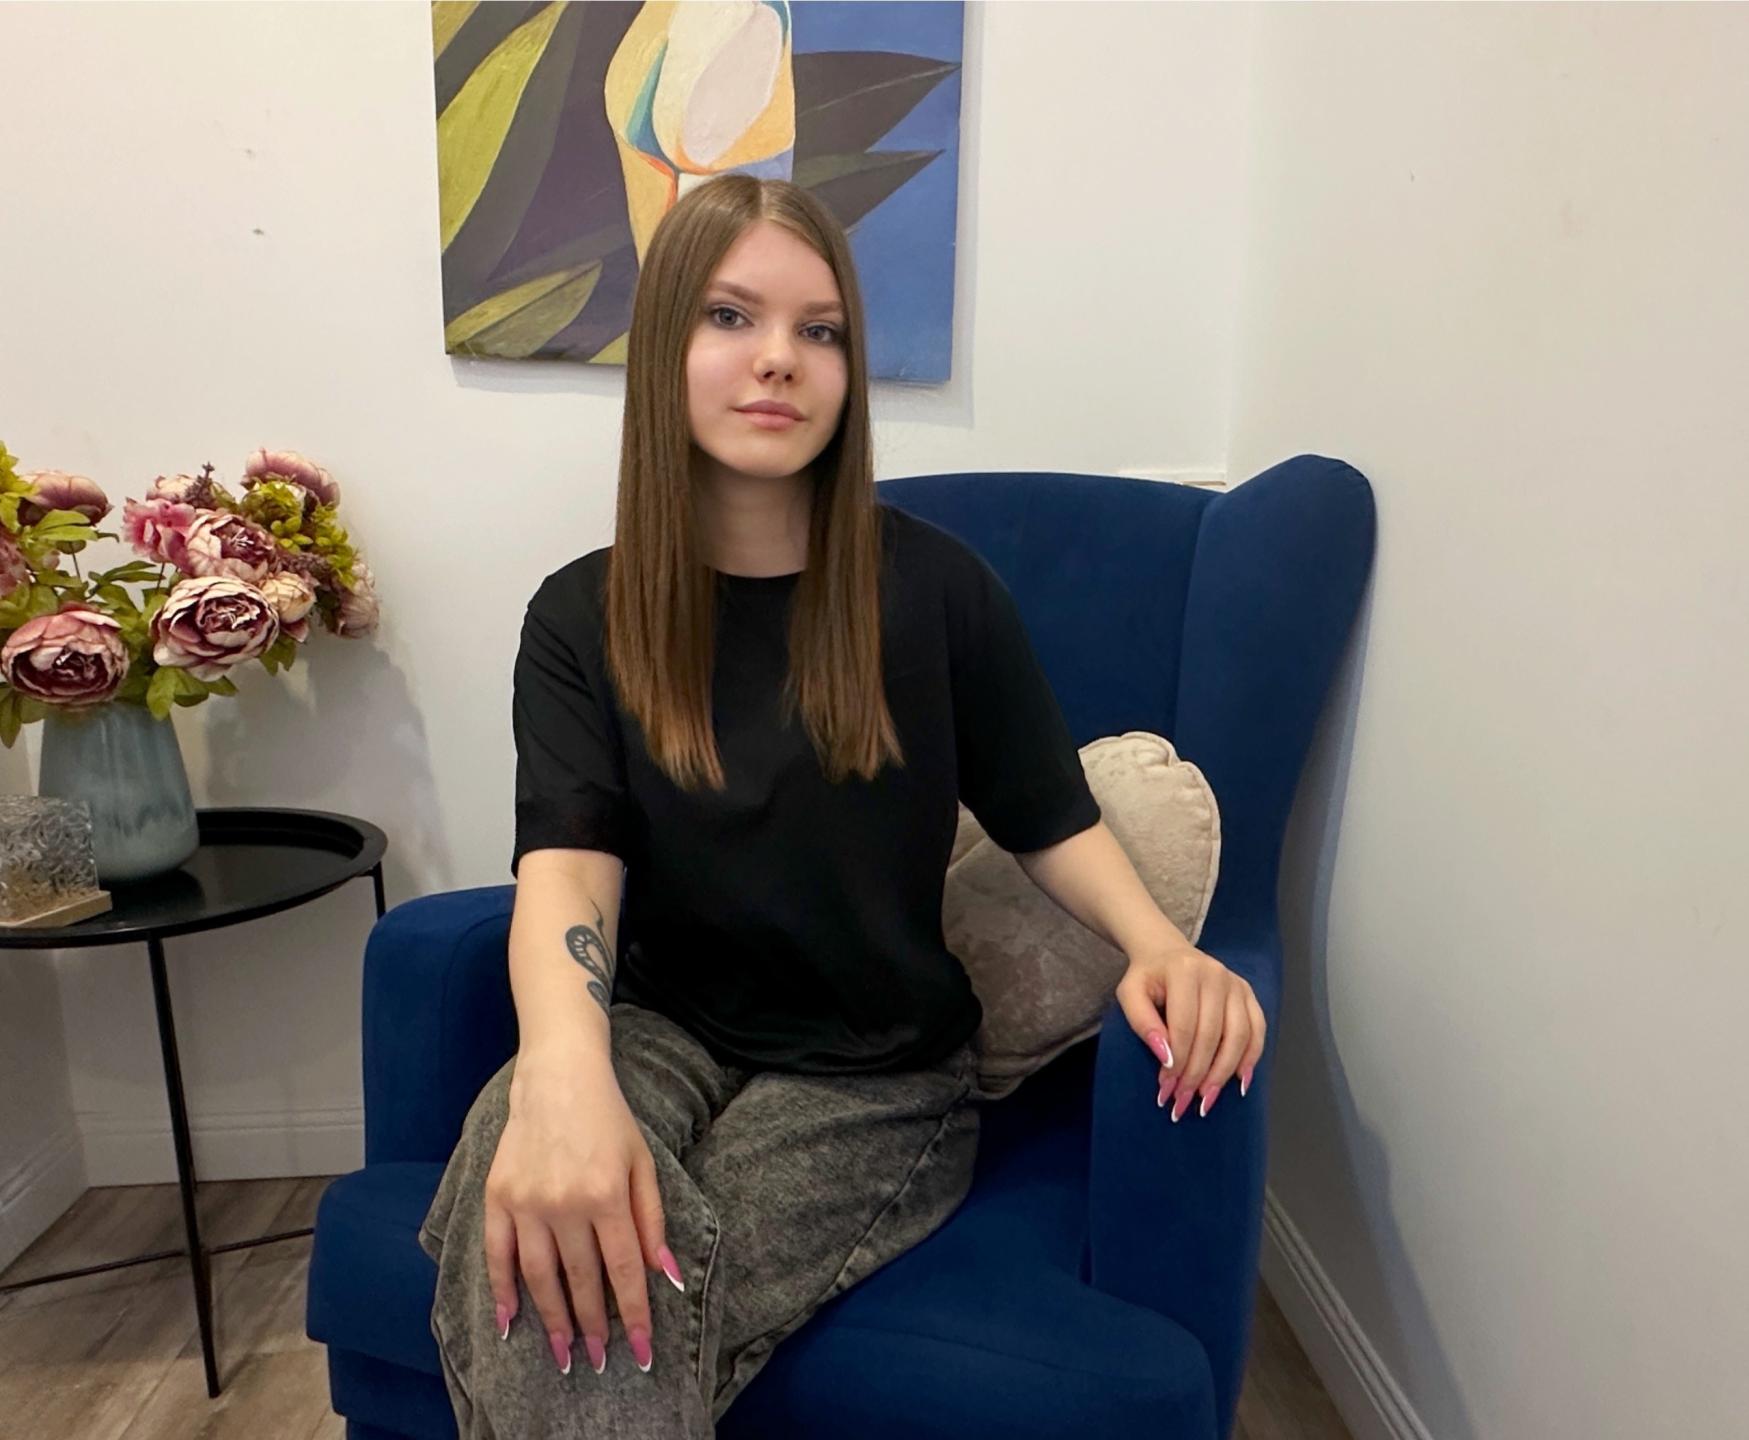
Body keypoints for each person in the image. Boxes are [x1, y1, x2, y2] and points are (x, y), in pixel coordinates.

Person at [416, 173, 1258, 1439]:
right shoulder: (581, 615)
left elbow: (1047, 814)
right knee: (539, 1206)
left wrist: (1159, 946)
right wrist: (561, 1073)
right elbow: (569, 868)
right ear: (664, 345)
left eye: (820, 330)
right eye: (730, 316)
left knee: (603, 1292)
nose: (779, 359)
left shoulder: (939, 591)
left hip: (876, 1073)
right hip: (661, 1028)